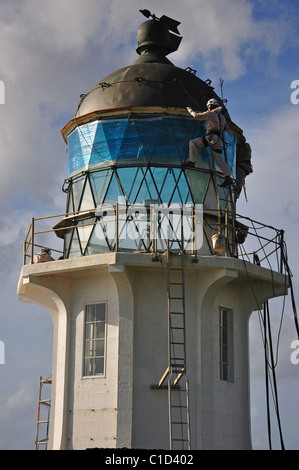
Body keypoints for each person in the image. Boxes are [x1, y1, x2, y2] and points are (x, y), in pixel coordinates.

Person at [185, 99, 234, 188]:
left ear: (210, 106)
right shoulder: (222, 117)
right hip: (218, 139)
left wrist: (190, 110)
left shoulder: (210, 113)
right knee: (219, 159)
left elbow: (196, 116)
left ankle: (192, 161)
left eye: (208, 107)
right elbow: (226, 128)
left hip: (211, 137)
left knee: (193, 143)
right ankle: (228, 177)